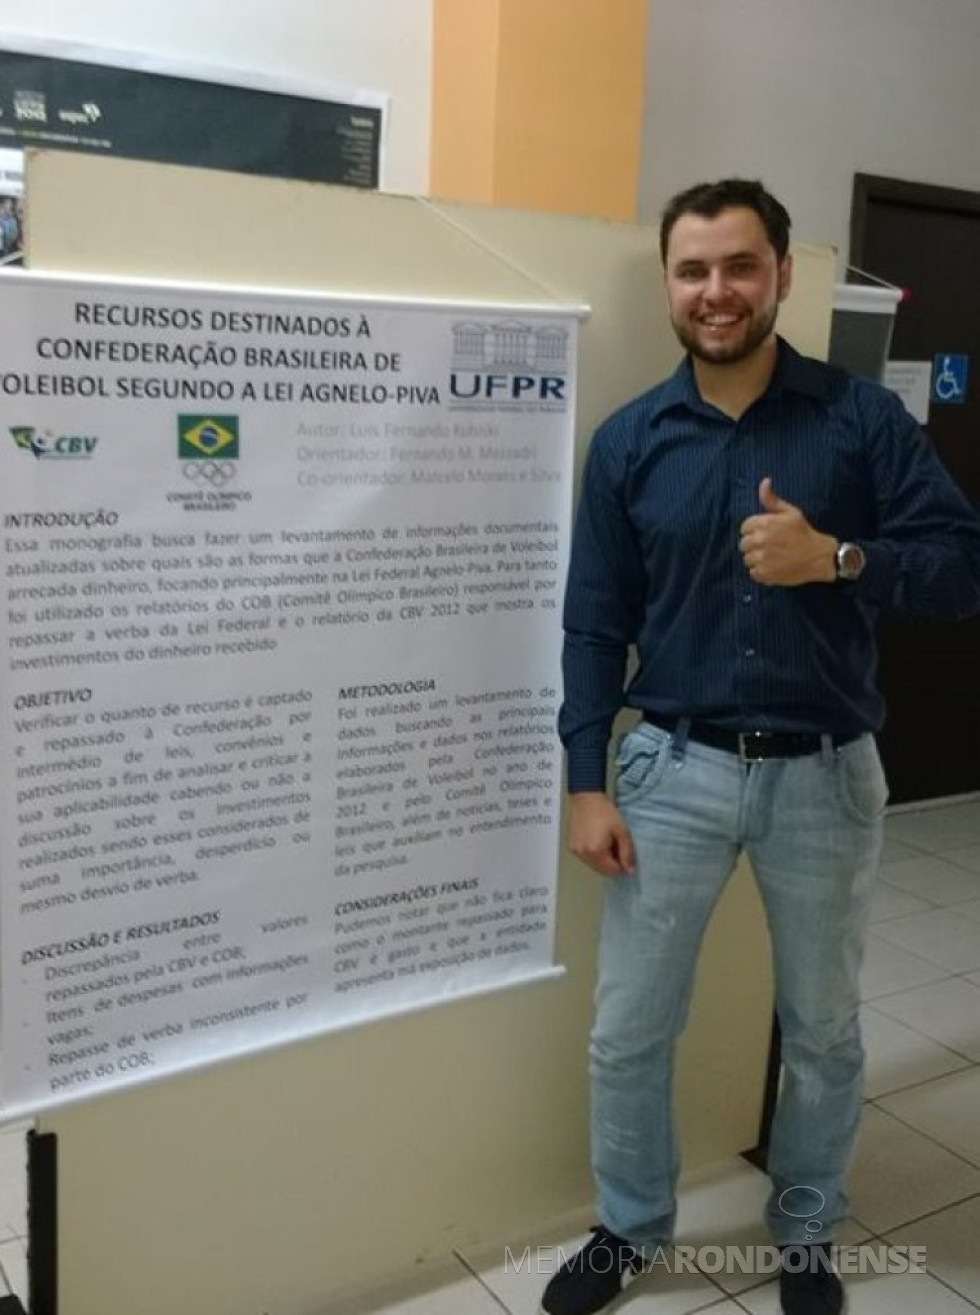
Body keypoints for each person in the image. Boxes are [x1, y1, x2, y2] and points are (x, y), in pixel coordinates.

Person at [544, 178, 980, 1315]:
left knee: (825, 1032)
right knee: (627, 1029)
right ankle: (630, 1225)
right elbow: (592, 622)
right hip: (670, 773)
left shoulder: (858, 423)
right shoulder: (629, 442)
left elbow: (957, 567)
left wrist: (835, 557)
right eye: (693, 271)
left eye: (739, 266)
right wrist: (585, 782)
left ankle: (802, 1233)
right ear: (669, 286)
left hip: (825, 778)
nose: (716, 292)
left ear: (781, 274)